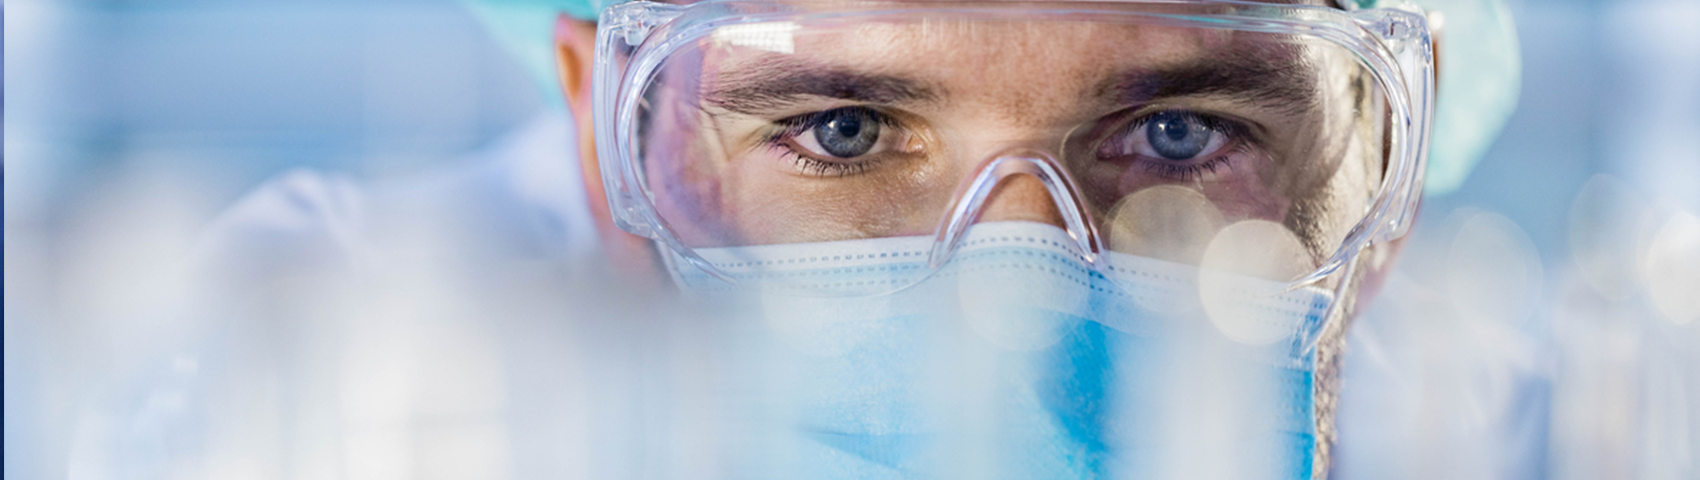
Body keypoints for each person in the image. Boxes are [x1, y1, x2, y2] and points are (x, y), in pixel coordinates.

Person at [192, 0, 1522, 478]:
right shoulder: (299, 382)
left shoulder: (1566, 414)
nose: (1015, 300)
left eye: (1178, 136)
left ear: (1389, 162)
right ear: (603, 140)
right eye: (839, 131)